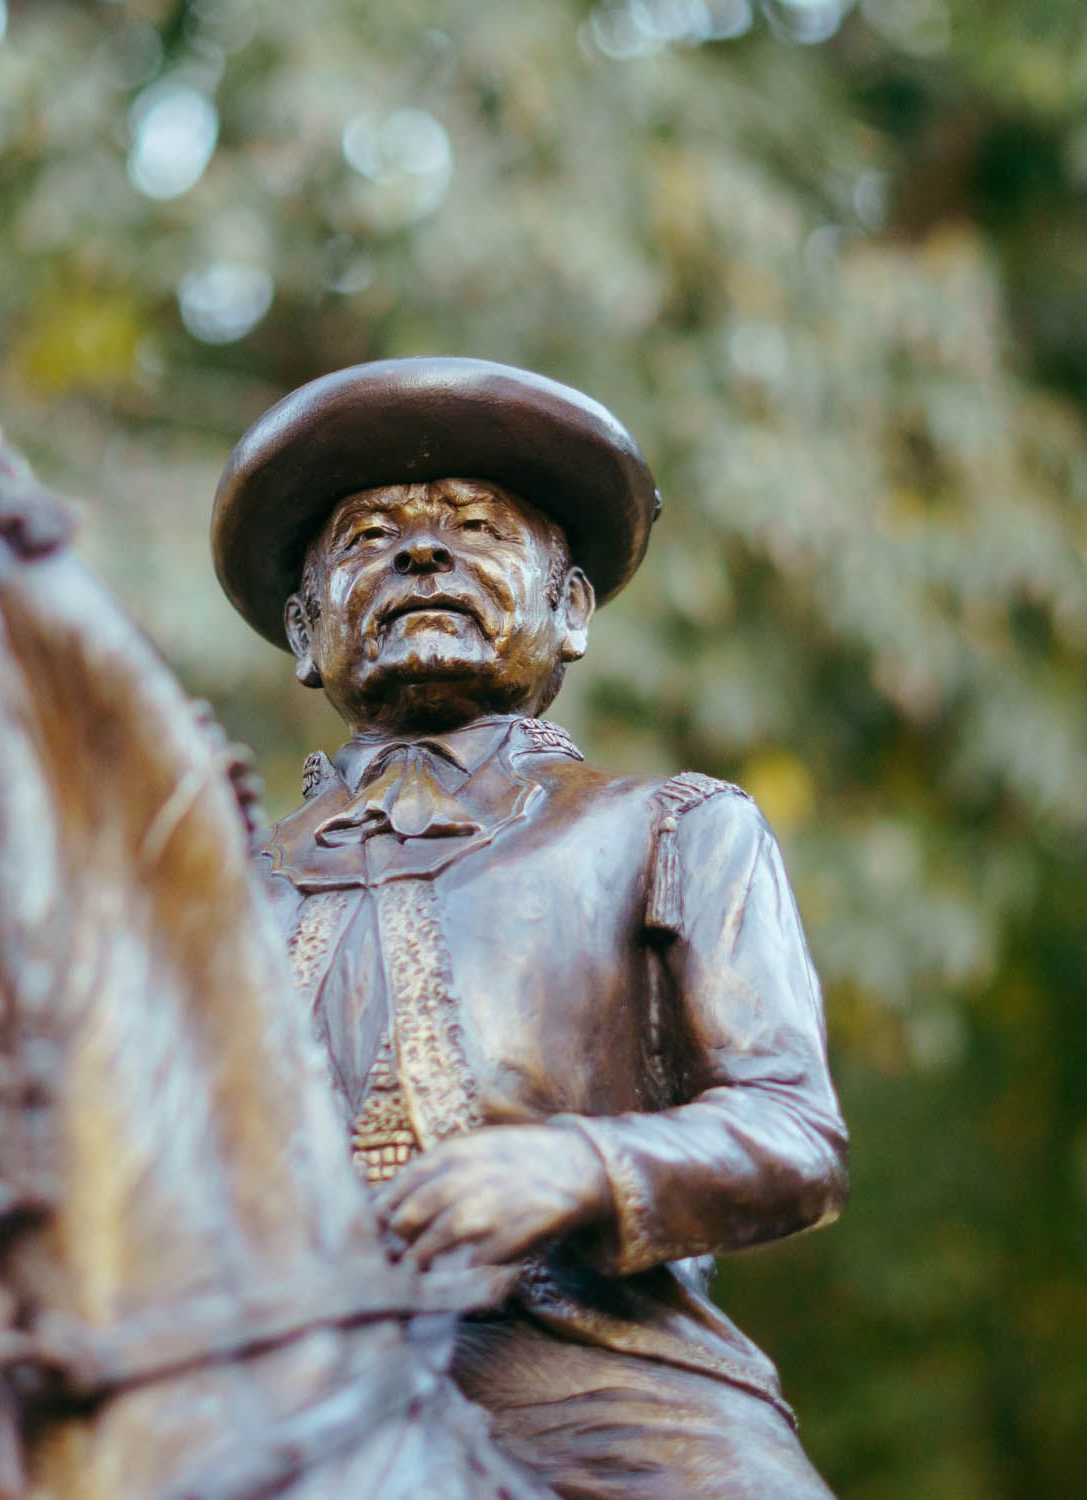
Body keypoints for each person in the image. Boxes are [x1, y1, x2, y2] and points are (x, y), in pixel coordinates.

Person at [212, 357, 848, 1498]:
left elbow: (794, 1134)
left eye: (474, 527)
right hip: (256, 1382)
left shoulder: (673, 827)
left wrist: (576, 1169)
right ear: (306, 635)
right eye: (366, 537)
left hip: (586, 1385)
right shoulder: (215, 883)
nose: (420, 554)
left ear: (571, 610)